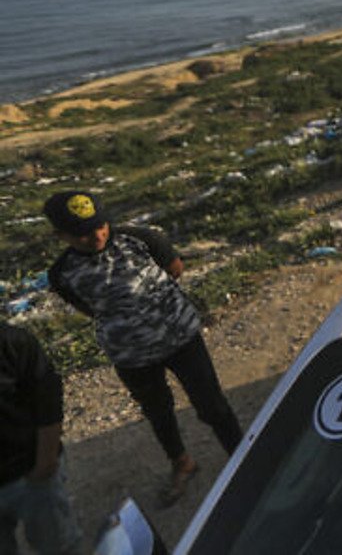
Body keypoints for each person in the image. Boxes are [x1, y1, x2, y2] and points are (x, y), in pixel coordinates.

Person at [44, 191, 243, 507]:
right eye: (81, 233)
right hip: (131, 356)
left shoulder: (142, 239)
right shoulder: (62, 273)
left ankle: (242, 458)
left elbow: (175, 268)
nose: (95, 236)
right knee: (158, 412)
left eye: (99, 226)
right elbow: (87, 307)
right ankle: (182, 462)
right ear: (60, 236)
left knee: (212, 404)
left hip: (181, 339)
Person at [0, 324, 82, 555]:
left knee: (58, 546)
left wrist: (44, 467)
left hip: (29, 477)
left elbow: (48, 405)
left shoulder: (12, 342)